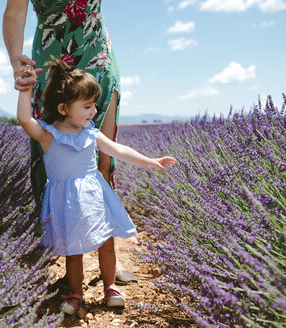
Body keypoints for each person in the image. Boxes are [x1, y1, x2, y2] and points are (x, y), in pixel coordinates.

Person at [16, 58, 176, 314]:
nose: (93, 112)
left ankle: (111, 287)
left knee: (106, 242)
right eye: (87, 106)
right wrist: (25, 89)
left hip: (95, 196)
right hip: (66, 200)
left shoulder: (90, 133)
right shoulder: (48, 135)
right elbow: (25, 119)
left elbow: (119, 150)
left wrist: (150, 162)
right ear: (63, 108)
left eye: (94, 106)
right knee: (73, 250)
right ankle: (76, 293)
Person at [3, 0, 137, 285]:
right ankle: (59, 255)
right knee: (53, 160)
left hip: (95, 49)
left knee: (101, 158)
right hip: (51, 56)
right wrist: (16, 61)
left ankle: (108, 259)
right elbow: (15, 11)